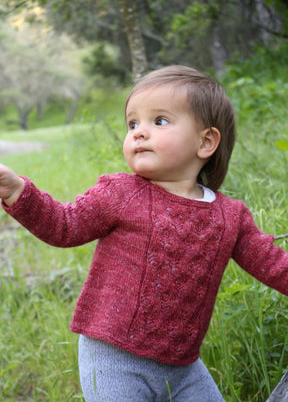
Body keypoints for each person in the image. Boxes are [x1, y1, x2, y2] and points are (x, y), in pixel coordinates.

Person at [0, 65, 287, 402]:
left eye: (159, 121)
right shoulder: (121, 193)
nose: (138, 132)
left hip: (183, 367)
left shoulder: (230, 216)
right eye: (133, 123)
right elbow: (65, 226)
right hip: (111, 357)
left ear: (206, 141)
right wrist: (18, 191)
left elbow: (273, 263)